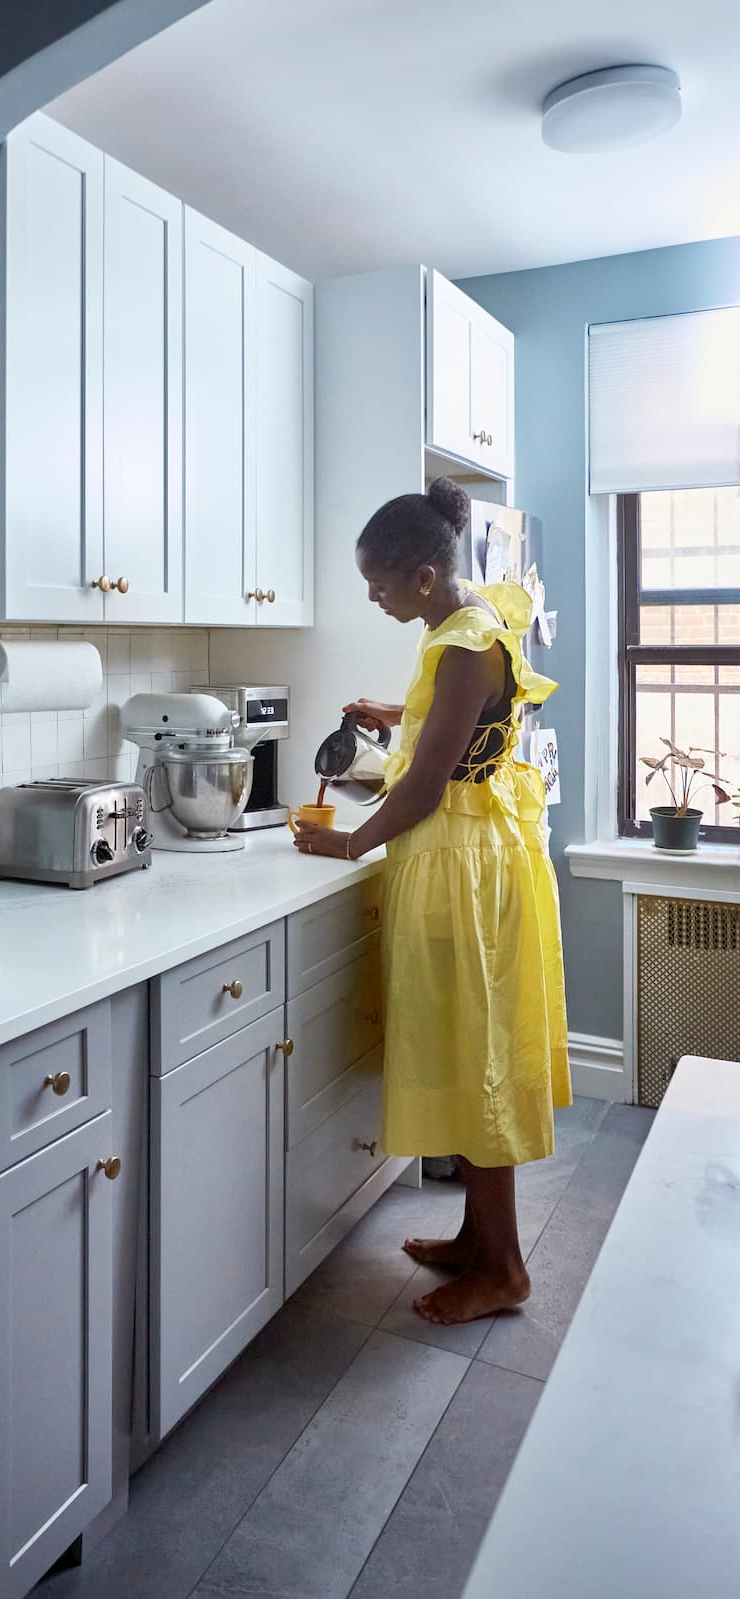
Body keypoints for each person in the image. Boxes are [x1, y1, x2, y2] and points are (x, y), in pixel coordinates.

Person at [293, 479, 571, 1326]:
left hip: (461, 871)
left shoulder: (459, 647)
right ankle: (473, 1238)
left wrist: (344, 841)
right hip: (475, 859)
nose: (371, 598)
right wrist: (393, 707)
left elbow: (419, 787)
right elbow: (457, 727)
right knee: (464, 1056)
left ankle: (506, 1269)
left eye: (378, 585)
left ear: (420, 576)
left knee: (478, 1065)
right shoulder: (467, 620)